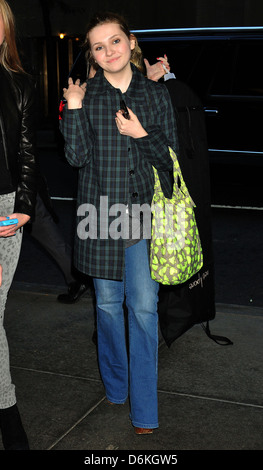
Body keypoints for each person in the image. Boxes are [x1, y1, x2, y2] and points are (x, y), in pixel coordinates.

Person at [60, 11, 178, 434]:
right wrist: (72, 109)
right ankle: (116, 384)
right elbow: (76, 158)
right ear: (91, 54)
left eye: (115, 41)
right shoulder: (85, 95)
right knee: (108, 308)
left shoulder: (154, 94)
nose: (108, 51)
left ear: (130, 42)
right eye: (98, 46)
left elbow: (170, 162)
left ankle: (145, 411)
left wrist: (141, 134)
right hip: (100, 215)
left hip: (145, 215)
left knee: (143, 310)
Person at [0, 0, 37, 450]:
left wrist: (25, 205)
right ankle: (9, 418)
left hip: (5, 210)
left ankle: (8, 418)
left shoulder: (20, 83)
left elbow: (28, 151)